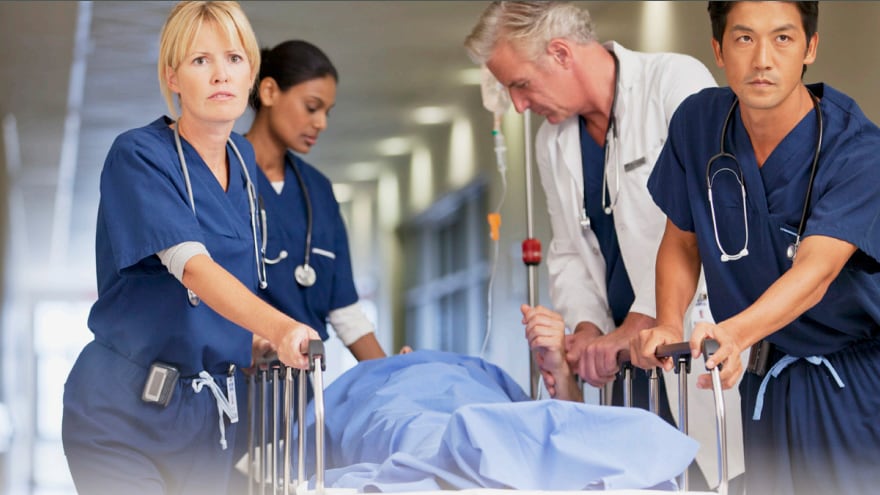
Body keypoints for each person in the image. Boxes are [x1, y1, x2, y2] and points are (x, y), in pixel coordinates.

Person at [61, 2, 321, 494]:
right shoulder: (137, 156)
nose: (220, 74)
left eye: (234, 59)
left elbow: (233, 287)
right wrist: (281, 327)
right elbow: (194, 269)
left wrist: (255, 342)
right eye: (200, 60)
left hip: (209, 421)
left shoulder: (244, 162)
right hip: (121, 417)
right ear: (173, 76)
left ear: (251, 76)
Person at [631, 2, 880, 494]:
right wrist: (665, 321)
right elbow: (683, 239)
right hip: (769, 382)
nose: (762, 59)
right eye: (744, 39)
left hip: (853, 387)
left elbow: (817, 272)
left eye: (783, 39)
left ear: (810, 47)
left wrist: (736, 334)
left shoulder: (858, 152)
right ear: (718, 50)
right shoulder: (697, 125)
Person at [244, 40, 400, 364]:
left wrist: (390, 373)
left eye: (326, 113)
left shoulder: (319, 192)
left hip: (297, 386)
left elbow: (344, 310)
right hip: (230, 379)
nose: (321, 124)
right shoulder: (219, 173)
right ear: (269, 92)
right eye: (311, 107)